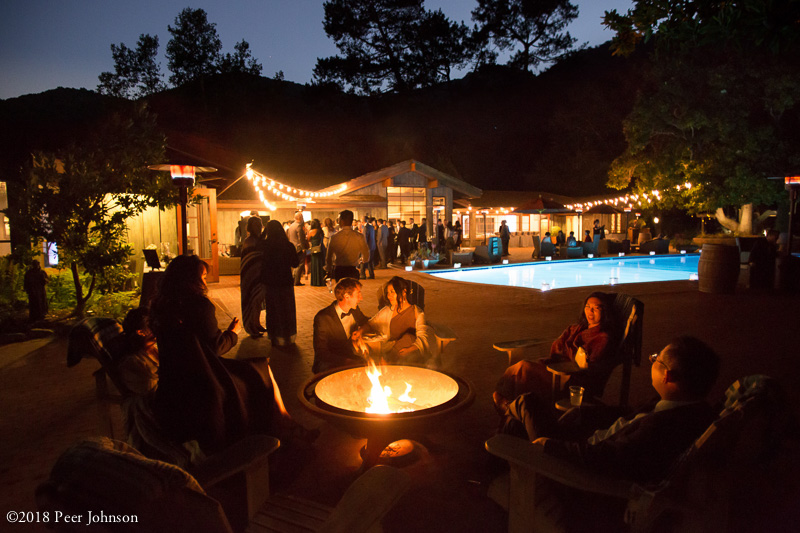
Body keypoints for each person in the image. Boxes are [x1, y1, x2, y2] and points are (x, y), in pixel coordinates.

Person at [500, 335, 719, 485]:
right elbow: (627, 414)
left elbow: (607, 458)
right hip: (589, 439)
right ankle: (502, 462)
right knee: (519, 419)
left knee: (524, 404)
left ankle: (504, 467)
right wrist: (586, 413)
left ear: (667, 376)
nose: (652, 361)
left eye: (656, 359)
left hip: (572, 469)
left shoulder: (662, 428)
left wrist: (552, 446)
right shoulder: (681, 405)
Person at [149, 255, 306, 454]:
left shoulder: (162, 305)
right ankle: (283, 424)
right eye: (203, 277)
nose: (205, 282)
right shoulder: (199, 305)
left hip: (176, 379)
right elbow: (215, 347)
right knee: (261, 369)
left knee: (259, 367)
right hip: (203, 376)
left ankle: (285, 422)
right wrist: (233, 333)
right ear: (191, 279)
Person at [493, 292, 617, 411]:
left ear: (604, 311)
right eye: (587, 307)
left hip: (566, 377)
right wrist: (568, 350)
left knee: (523, 367)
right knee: (519, 372)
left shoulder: (602, 338)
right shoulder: (576, 328)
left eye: (596, 308)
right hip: (555, 367)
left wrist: (568, 351)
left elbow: (588, 365)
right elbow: (558, 345)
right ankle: (511, 405)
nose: (590, 311)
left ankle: (506, 403)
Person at [365, 277, 439, 366]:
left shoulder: (418, 313)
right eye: (388, 293)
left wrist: (410, 349)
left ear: (404, 292)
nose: (389, 296)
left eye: (392, 292)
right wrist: (360, 331)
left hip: (412, 350)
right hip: (392, 350)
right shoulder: (388, 310)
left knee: (409, 338)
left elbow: (422, 337)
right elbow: (372, 323)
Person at [312, 278, 370, 374]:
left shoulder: (354, 310)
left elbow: (365, 321)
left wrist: (360, 332)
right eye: (358, 294)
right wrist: (347, 362)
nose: (361, 298)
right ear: (347, 296)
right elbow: (321, 353)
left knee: (367, 364)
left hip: (348, 355)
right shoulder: (323, 318)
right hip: (328, 362)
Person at [261, 220, 299, 346]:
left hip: (271, 281)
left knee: (272, 309)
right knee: (287, 309)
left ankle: (274, 336)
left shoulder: (265, 246)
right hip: (285, 281)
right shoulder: (288, 246)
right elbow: (295, 263)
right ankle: (288, 335)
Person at [326, 209, 371, 282]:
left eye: (339, 219)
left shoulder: (335, 237)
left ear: (342, 221)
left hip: (339, 270)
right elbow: (366, 253)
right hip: (353, 269)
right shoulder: (359, 236)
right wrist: (362, 260)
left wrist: (329, 269)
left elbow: (329, 256)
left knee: (341, 291)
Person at [240, 215, 266, 337]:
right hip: (251, 275)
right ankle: (251, 327)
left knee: (258, 300)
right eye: (256, 225)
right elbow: (250, 258)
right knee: (252, 300)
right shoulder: (248, 241)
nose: (258, 228)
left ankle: (256, 322)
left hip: (260, 273)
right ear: (251, 227)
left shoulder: (259, 239)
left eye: (259, 225)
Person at [287, 212, 308, 286]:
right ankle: (297, 281)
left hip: (292, 247)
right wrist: (303, 248)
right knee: (300, 264)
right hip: (299, 248)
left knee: (294, 264)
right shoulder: (299, 226)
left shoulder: (291, 226)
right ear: (300, 218)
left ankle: (293, 279)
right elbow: (301, 239)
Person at [307, 219, 326, 287]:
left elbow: (308, 239)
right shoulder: (321, 231)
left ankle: (315, 281)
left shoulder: (311, 231)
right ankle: (321, 280)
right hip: (321, 249)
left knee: (314, 265)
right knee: (321, 264)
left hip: (314, 249)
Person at [359, 215, 376, 280]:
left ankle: (362, 275)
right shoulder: (371, 227)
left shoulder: (365, 228)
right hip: (372, 246)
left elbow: (365, 239)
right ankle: (372, 275)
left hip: (367, 247)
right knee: (370, 261)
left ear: (362, 221)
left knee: (363, 261)